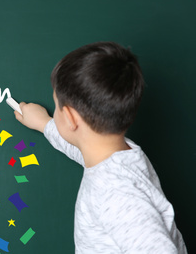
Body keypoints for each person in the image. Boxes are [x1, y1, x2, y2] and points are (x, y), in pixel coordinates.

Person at [14, 42, 187, 253]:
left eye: (57, 106)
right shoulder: (121, 155)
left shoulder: (114, 192)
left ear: (69, 117)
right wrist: (45, 124)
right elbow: (82, 149)